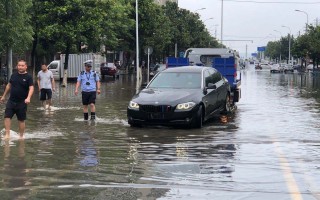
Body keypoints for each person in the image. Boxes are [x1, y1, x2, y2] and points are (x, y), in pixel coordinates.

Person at [0, 59, 34, 139]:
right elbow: (9, 85)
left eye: (22, 66)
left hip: (22, 102)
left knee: (21, 120)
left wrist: (28, 98)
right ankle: (7, 134)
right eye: (19, 65)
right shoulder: (13, 75)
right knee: (7, 117)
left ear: (26, 67)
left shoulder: (28, 77)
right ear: (17, 66)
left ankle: (21, 136)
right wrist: (4, 96)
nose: (20, 67)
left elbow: (31, 88)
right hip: (11, 101)